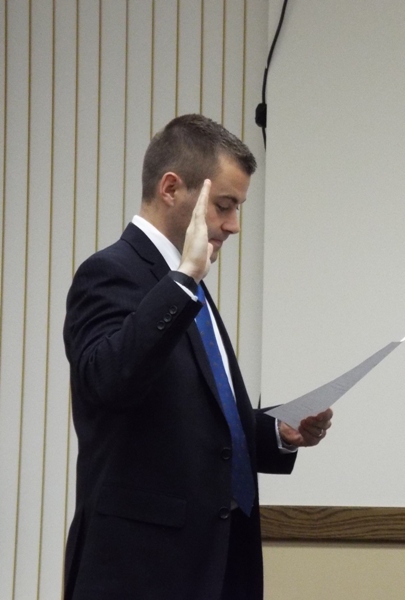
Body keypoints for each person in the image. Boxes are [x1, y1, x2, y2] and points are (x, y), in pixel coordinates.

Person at [62, 114, 333, 600]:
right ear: (171, 188)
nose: (234, 225)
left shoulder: (189, 288)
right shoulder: (111, 272)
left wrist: (277, 432)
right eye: (224, 206)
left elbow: (199, 423)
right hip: (141, 572)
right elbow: (107, 381)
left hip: (218, 563)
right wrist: (184, 279)